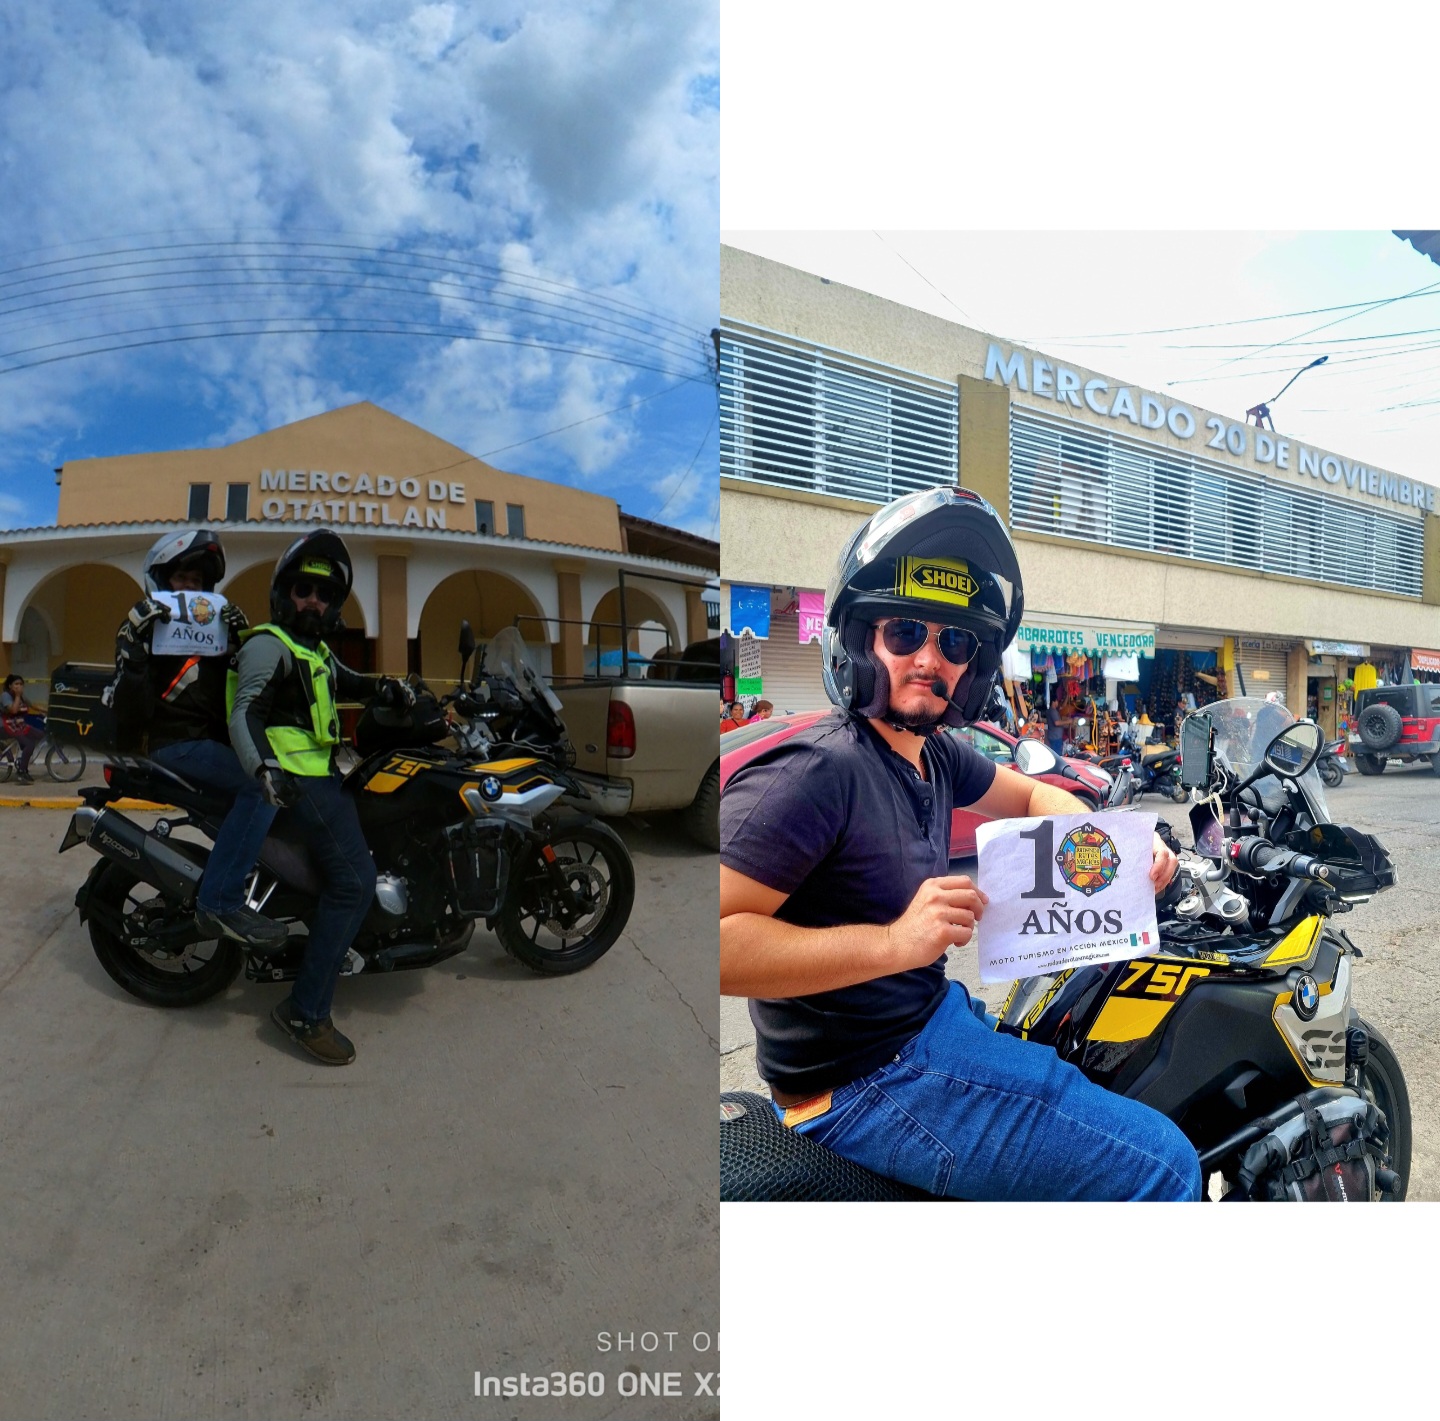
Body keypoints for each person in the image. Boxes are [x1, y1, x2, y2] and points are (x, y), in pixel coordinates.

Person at [719, 486, 1201, 1202]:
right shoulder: (822, 770)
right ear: (858, 640)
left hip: (924, 1021)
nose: (930, 658)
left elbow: (1034, 793)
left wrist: (1116, 849)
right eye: (905, 632)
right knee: (1163, 1164)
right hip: (863, 1077)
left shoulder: (933, 752)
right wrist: (895, 941)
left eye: (953, 642)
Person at [228, 529, 413, 1066]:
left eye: (325, 594)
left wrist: (390, 687)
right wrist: (264, 769)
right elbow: (246, 713)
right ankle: (305, 1011)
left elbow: (350, 683)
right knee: (354, 883)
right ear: (284, 593)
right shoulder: (269, 644)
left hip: (322, 774)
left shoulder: (316, 652)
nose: (314, 600)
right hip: (298, 780)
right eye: (304, 589)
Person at [110, 530, 287, 949]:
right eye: (180, 579)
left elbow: (236, 701)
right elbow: (129, 709)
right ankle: (221, 902)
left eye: (197, 582)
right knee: (260, 788)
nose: (189, 588)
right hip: (172, 744)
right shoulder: (144, 633)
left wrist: (241, 645)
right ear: (161, 581)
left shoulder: (215, 639)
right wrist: (132, 646)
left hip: (209, 745)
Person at [1, 675, 45, 783]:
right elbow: (14, 710)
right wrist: (17, 695)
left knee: (39, 734)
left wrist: (49, 711)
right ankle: (21, 771)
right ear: (10, 685)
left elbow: (32, 706)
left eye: (21, 684)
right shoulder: (5, 696)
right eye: (16, 684)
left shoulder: (22, 696)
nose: (19, 686)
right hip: (6, 725)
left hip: (19, 725)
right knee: (29, 744)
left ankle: (23, 761)